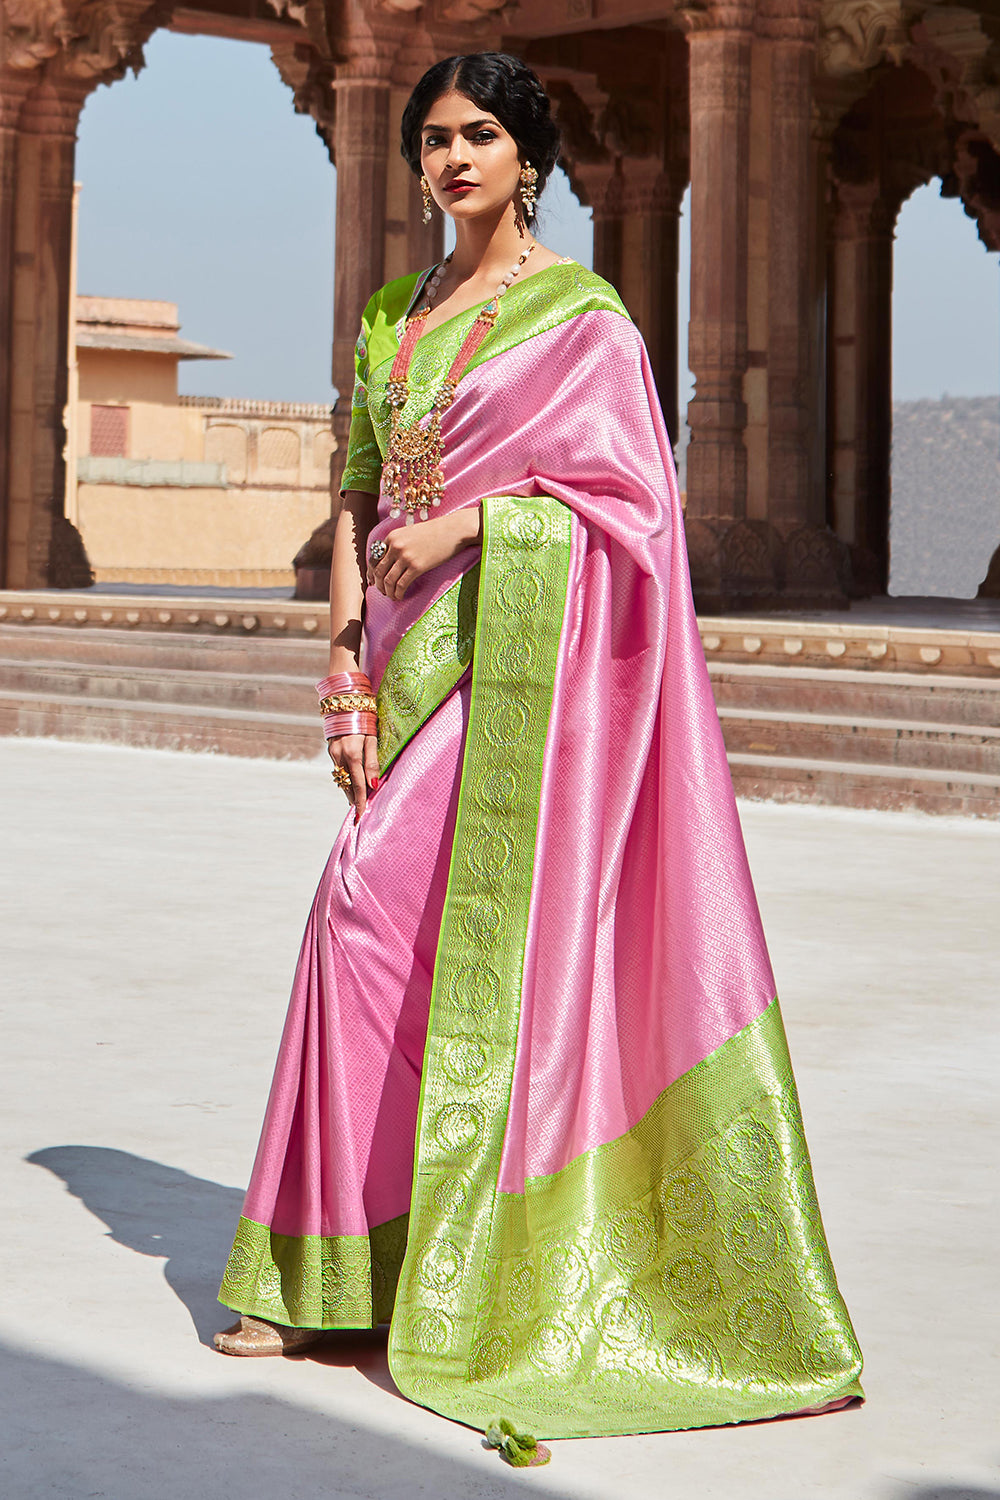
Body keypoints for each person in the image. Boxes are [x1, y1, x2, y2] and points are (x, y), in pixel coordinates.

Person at [214, 51, 863, 1441]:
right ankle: (340, 1271)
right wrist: (340, 667)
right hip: (400, 673)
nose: (454, 159)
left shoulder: (584, 324)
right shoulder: (393, 315)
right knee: (385, 948)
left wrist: (476, 527)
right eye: (435, 138)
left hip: (523, 686)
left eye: (482, 136)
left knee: (364, 916)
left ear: (531, 157)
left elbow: (634, 516)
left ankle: (476, 1267)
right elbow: (354, 495)